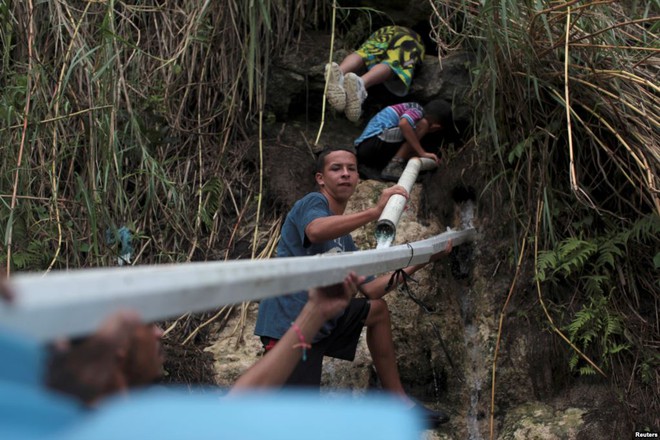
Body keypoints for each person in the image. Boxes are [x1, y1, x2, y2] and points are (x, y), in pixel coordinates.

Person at [254, 145, 452, 427]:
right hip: (290, 328)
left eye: (351, 169)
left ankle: (398, 403)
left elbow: (372, 290)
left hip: (322, 324)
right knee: (295, 421)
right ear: (321, 178)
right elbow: (315, 230)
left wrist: (423, 260)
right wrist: (375, 212)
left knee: (377, 310)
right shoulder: (312, 203)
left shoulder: (344, 241)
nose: (345, 174)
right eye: (336, 169)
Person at [325, 26, 425, 122]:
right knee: (394, 64)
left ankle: (340, 73)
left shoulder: (394, 28)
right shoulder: (419, 39)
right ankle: (360, 83)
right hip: (411, 39)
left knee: (364, 53)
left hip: (386, 30)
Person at [354, 99, 453, 181]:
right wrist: (422, 152)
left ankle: (393, 165)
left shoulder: (413, 110)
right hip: (372, 143)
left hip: (371, 147)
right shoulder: (417, 110)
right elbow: (404, 124)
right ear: (437, 127)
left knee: (413, 140)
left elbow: (407, 147)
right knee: (423, 125)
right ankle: (394, 166)